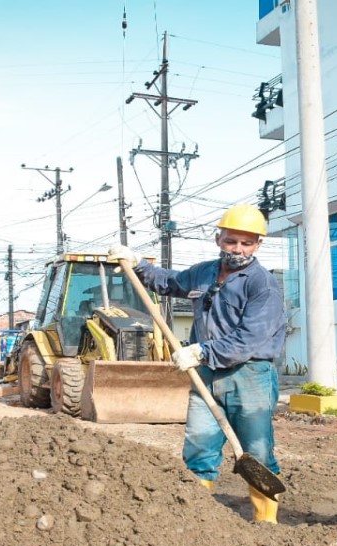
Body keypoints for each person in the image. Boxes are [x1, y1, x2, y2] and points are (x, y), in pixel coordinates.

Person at [109, 204, 287, 523]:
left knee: (257, 452)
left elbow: (251, 338)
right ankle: (194, 520)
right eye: (232, 241)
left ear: (259, 244)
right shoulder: (204, 272)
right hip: (205, 374)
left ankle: (266, 521)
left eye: (247, 243)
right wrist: (138, 264)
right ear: (219, 239)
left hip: (249, 375)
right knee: (199, 446)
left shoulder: (262, 284)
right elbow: (170, 282)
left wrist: (203, 350)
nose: (238, 249)